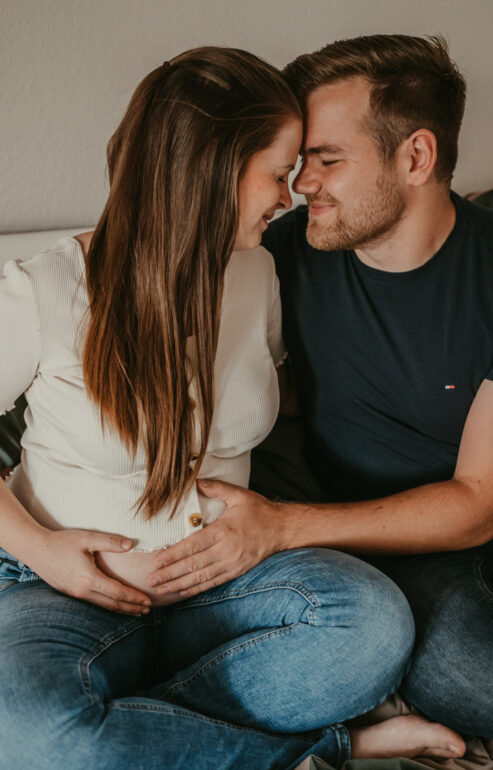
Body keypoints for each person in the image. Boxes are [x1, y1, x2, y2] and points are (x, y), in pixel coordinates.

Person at [0, 45, 466, 770]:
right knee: (34, 730)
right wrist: (40, 550)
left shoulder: (259, 275)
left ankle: (133, 731)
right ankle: (330, 750)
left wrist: (278, 527)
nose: (291, 196)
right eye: (278, 174)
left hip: (226, 591)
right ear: (209, 168)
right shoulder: (47, 289)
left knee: (374, 625)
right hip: (65, 595)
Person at [147, 34, 493, 755]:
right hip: (410, 549)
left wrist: (281, 525)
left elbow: (481, 504)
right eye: (302, 162)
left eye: (328, 161)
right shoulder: (280, 255)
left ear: (416, 157)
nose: (302, 184)